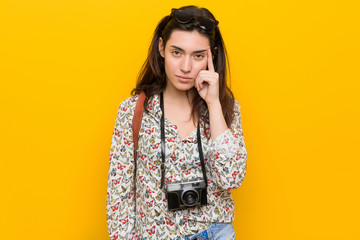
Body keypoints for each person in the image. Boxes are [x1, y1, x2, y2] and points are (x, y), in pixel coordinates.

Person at [107, 5, 247, 240]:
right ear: (161, 48)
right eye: (177, 52)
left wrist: (213, 105)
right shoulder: (133, 111)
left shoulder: (224, 108)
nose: (186, 67)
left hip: (216, 233)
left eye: (198, 55)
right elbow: (118, 195)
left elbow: (231, 178)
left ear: (211, 56)